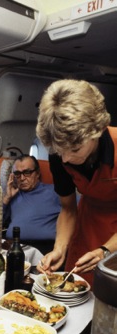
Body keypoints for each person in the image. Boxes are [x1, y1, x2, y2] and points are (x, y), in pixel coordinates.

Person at [36, 79, 117, 286]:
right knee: (77, 289)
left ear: (97, 131)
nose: (65, 160)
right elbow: (68, 208)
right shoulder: (60, 152)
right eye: (60, 152)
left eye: (74, 150)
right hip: (86, 221)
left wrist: (106, 250)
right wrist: (59, 247)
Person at [2, 154, 61, 254]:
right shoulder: (13, 194)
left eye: (27, 172)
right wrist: (7, 198)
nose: (22, 178)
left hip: (43, 248)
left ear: (37, 173)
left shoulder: (55, 192)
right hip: (12, 246)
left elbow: (82, 209)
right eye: (17, 174)